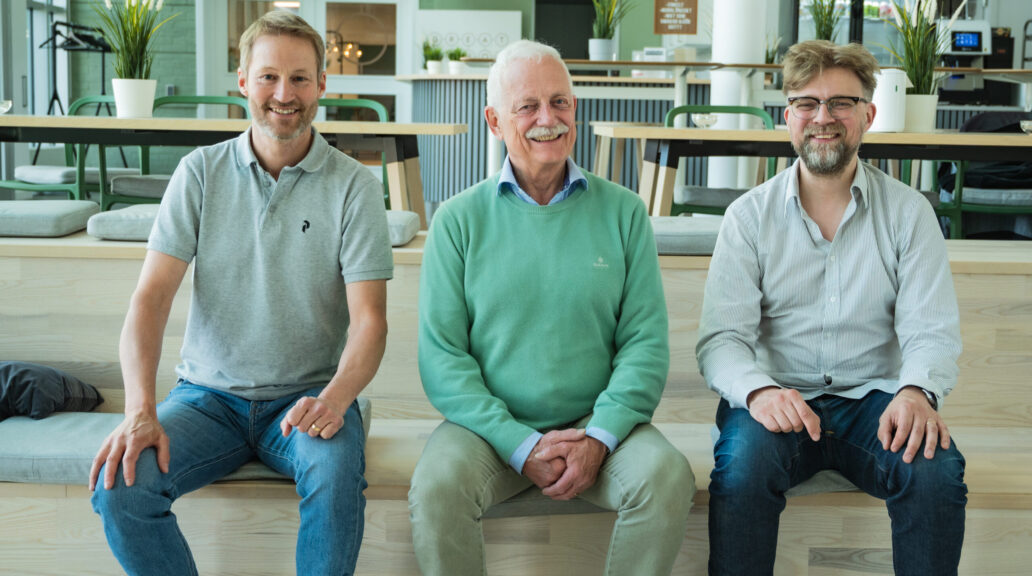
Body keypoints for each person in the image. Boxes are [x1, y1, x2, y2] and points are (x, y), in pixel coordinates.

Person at [89, 11, 392, 576]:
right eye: (269, 76)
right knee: (121, 487)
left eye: (301, 78)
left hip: (305, 399)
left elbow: (370, 321)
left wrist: (337, 397)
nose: (285, 93)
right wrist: (139, 411)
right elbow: (150, 300)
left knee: (334, 477)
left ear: (323, 85)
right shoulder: (200, 172)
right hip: (206, 399)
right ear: (243, 82)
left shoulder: (355, 186)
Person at [408, 39, 695, 576]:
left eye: (560, 102)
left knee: (666, 476)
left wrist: (600, 436)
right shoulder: (456, 220)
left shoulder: (626, 213)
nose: (549, 119)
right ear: (495, 121)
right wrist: (520, 443)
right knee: (437, 486)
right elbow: (443, 360)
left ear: (576, 110)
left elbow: (645, 345)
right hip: (489, 433)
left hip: (599, 427)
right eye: (528, 106)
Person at [697, 40, 967, 576]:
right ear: (788, 116)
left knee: (936, 471)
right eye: (807, 103)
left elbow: (930, 331)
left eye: (841, 103)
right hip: (780, 400)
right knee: (741, 469)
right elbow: (721, 339)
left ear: (869, 113)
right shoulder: (747, 218)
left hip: (876, 403)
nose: (824, 118)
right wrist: (758, 391)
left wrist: (917, 391)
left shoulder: (910, 214)